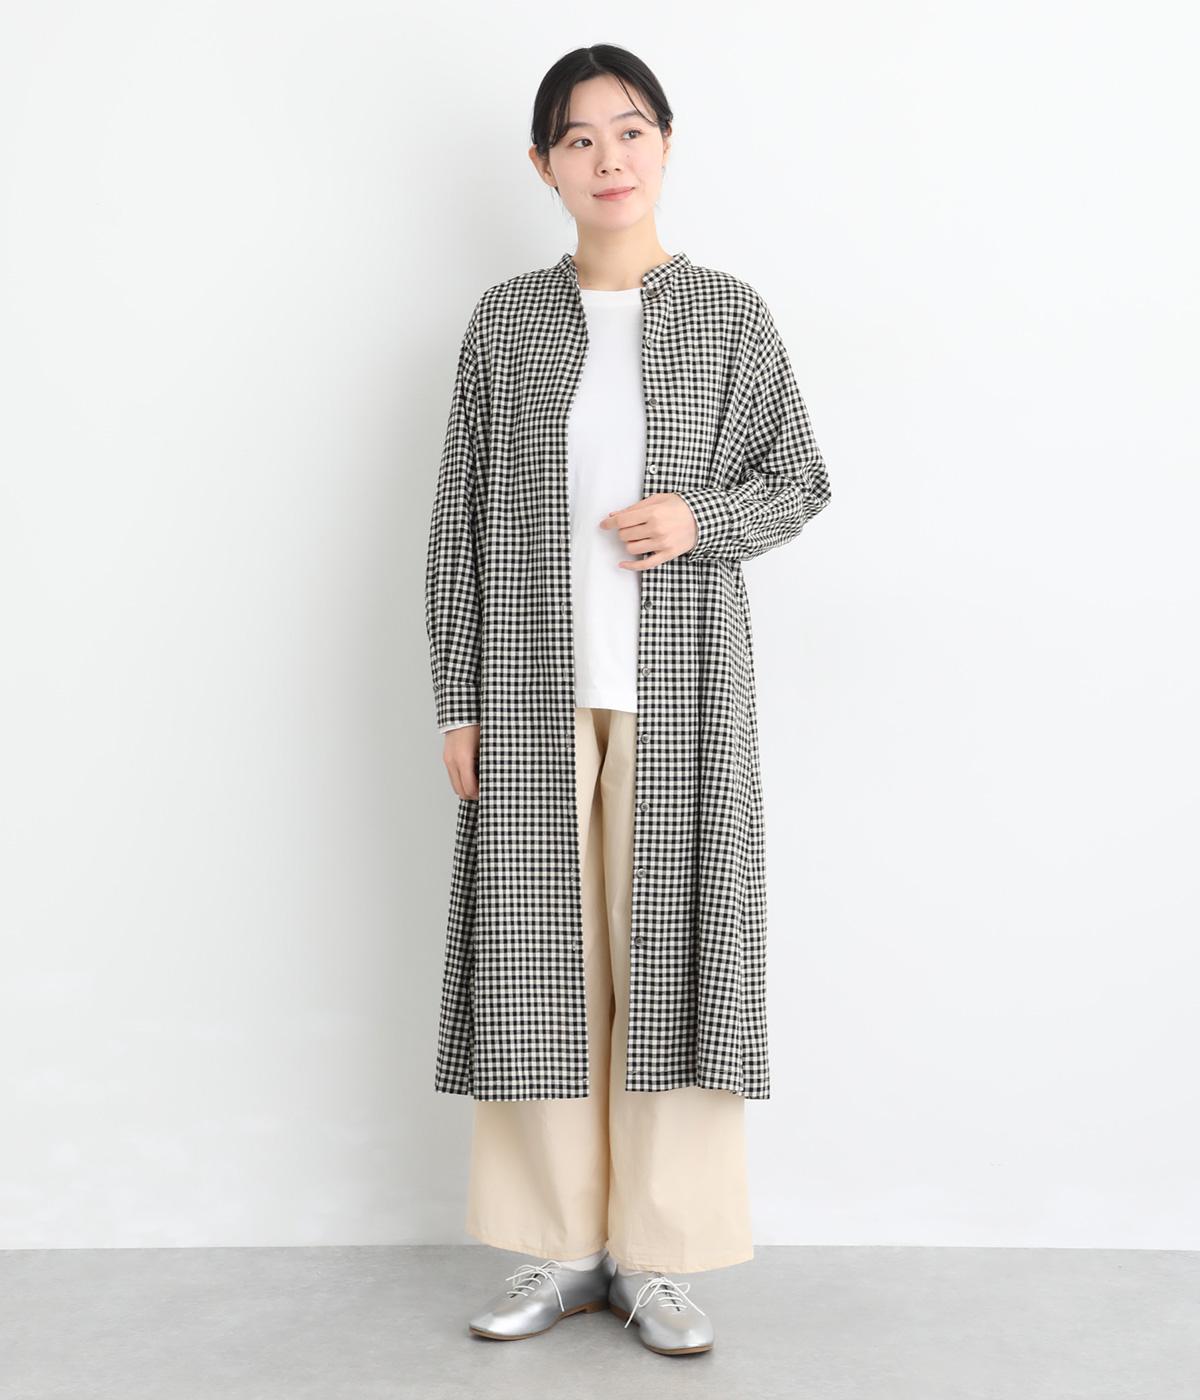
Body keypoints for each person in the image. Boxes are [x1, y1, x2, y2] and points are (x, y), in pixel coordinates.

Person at [424, 44, 832, 1356]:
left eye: (632, 129)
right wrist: (457, 699)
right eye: (580, 138)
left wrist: (701, 517)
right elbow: (456, 520)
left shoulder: (729, 314)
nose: (610, 158)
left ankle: (659, 1257)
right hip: (529, 698)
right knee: (540, 970)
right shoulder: (505, 322)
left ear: (666, 145)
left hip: (682, 697)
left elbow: (800, 478)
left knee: (671, 963)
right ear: (542, 164)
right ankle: (557, 1251)